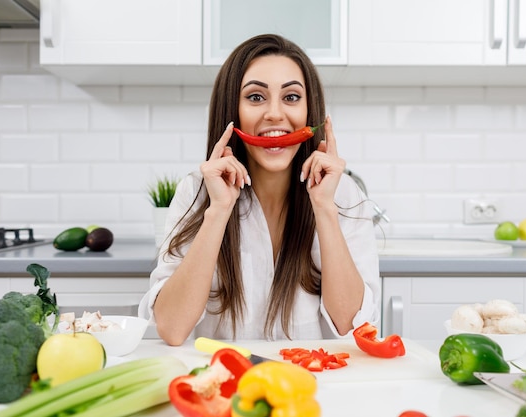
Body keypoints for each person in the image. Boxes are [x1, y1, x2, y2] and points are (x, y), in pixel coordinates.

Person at [138, 33, 380, 345]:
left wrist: (324, 209)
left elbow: (351, 328)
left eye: (291, 97)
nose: (275, 114)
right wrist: (218, 211)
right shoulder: (196, 191)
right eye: (255, 97)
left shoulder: (343, 194)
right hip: (225, 385)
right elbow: (171, 329)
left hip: (314, 384)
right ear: (232, 111)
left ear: (310, 111)